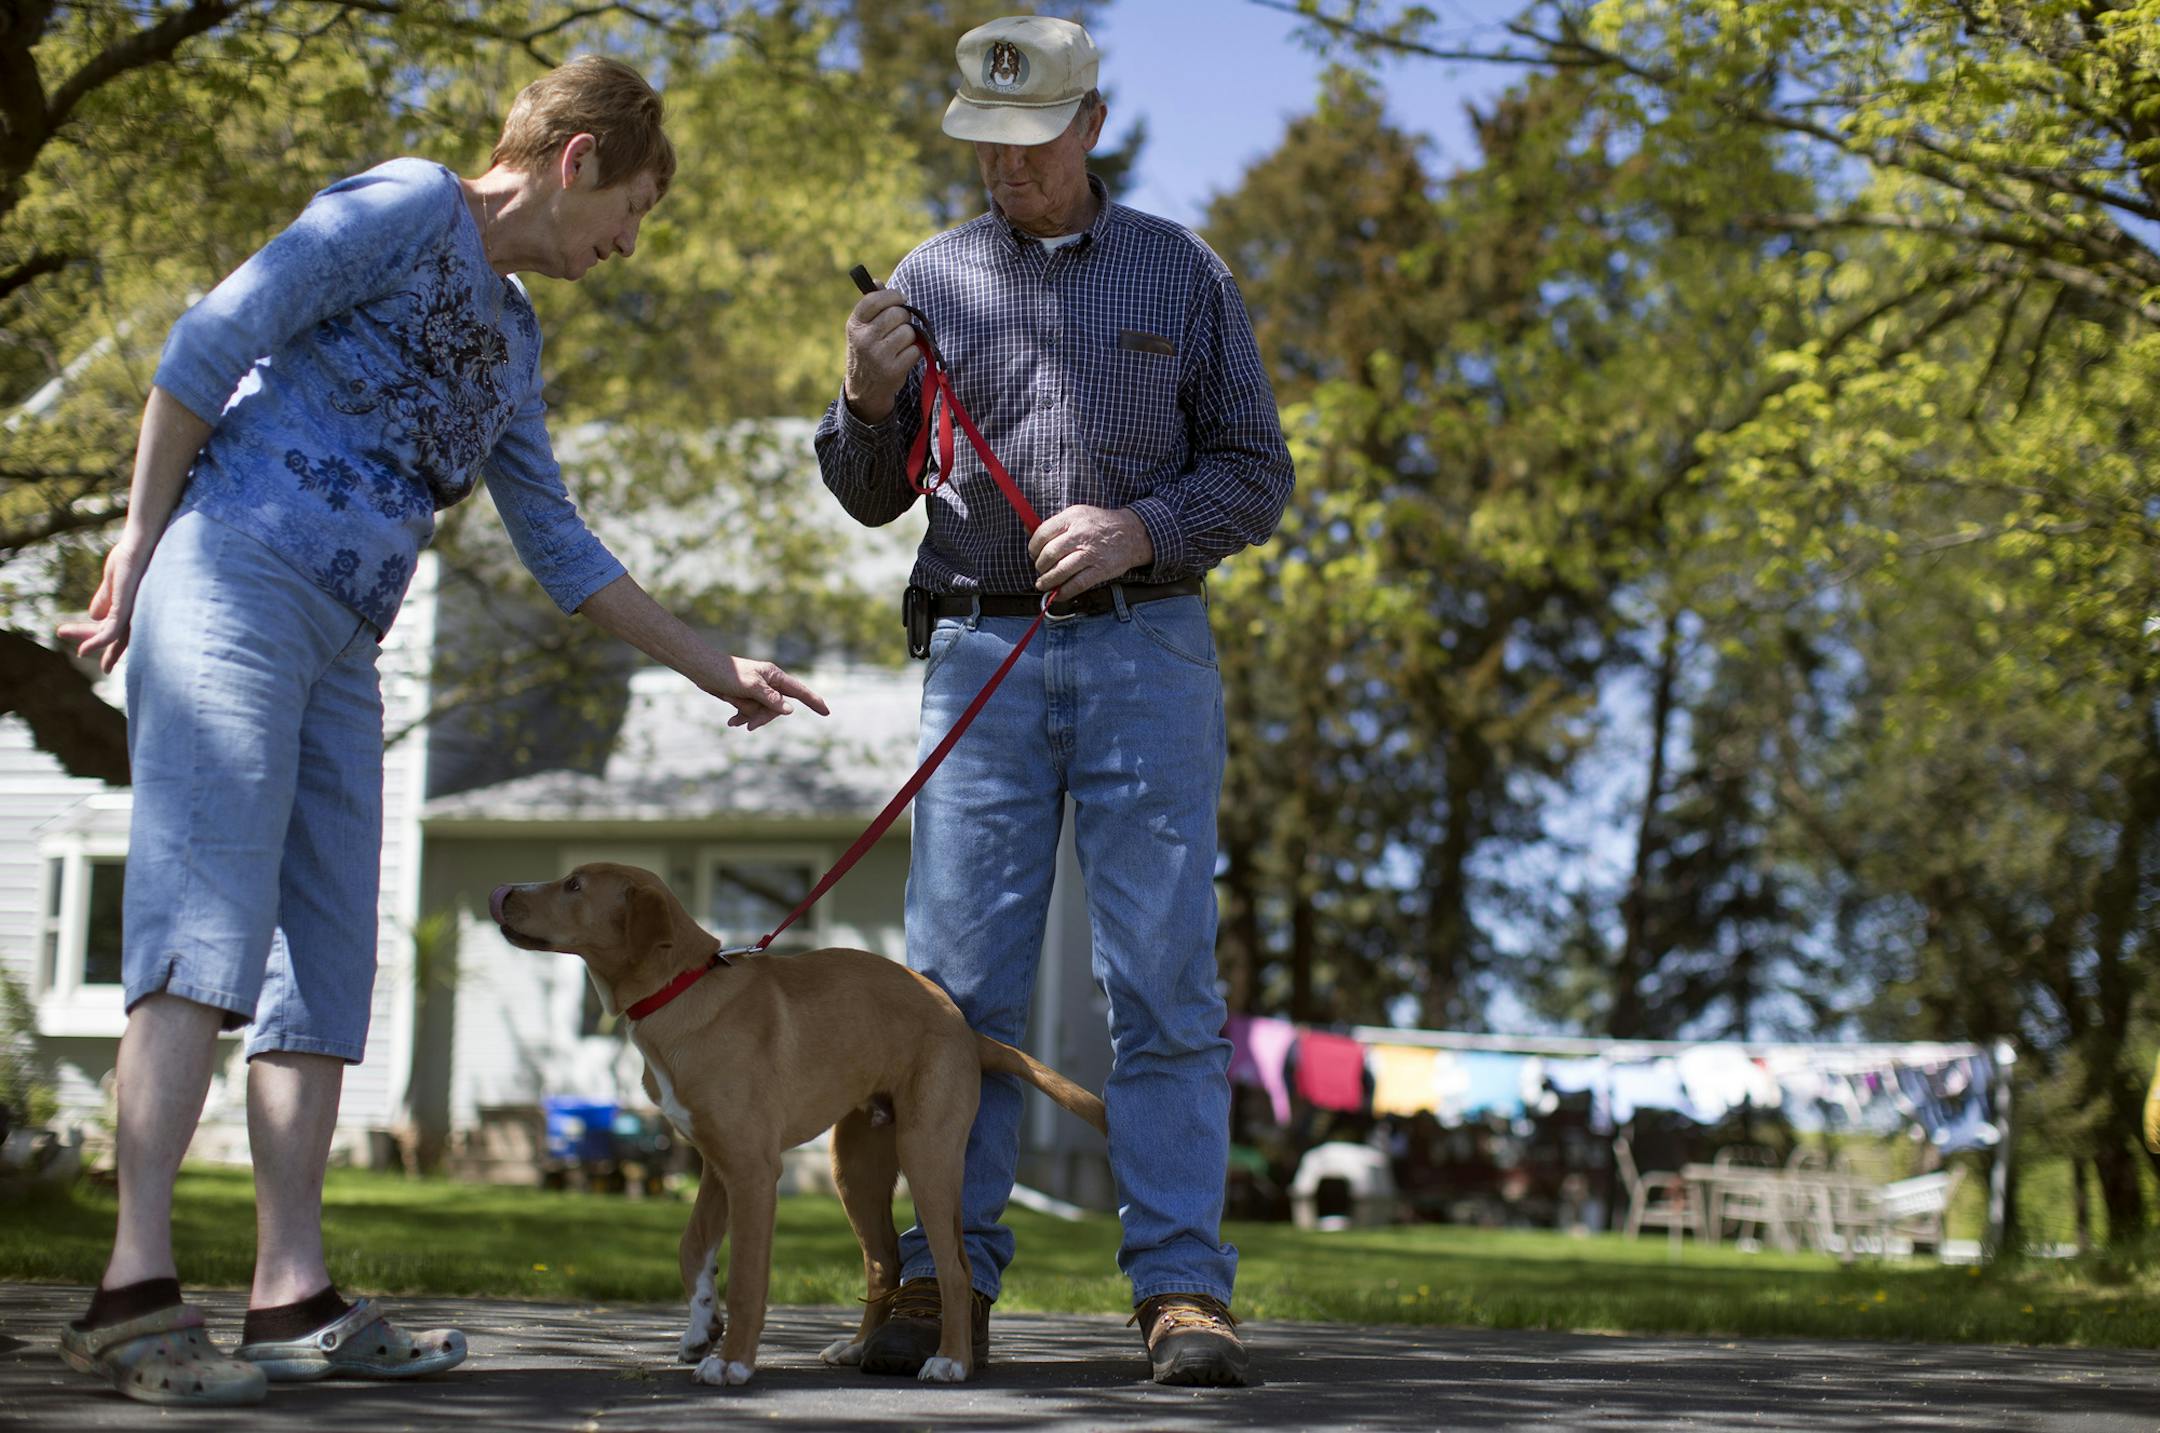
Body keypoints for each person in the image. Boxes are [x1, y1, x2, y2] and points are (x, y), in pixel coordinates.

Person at [54, 56, 825, 1408]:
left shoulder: (518, 339)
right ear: (576, 159)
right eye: (632, 213)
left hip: (351, 641)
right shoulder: (407, 206)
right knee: (204, 932)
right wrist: (134, 540)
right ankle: (132, 1290)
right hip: (234, 578)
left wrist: (720, 668)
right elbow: (208, 341)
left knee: (327, 964)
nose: (627, 248)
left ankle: (290, 1294)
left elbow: (563, 550)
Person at [814, 15, 1293, 1388]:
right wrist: (861, 398)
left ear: (1088, 126)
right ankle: (938, 1279)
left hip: (1147, 651)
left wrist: (1143, 525)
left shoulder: (1183, 271)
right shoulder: (926, 280)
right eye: (982, 146)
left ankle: (1184, 1291)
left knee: (1158, 976)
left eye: (1029, 146)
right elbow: (869, 492)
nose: (1004, 171)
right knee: (953, 990)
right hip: (981, 657)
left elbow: (1258, 472)